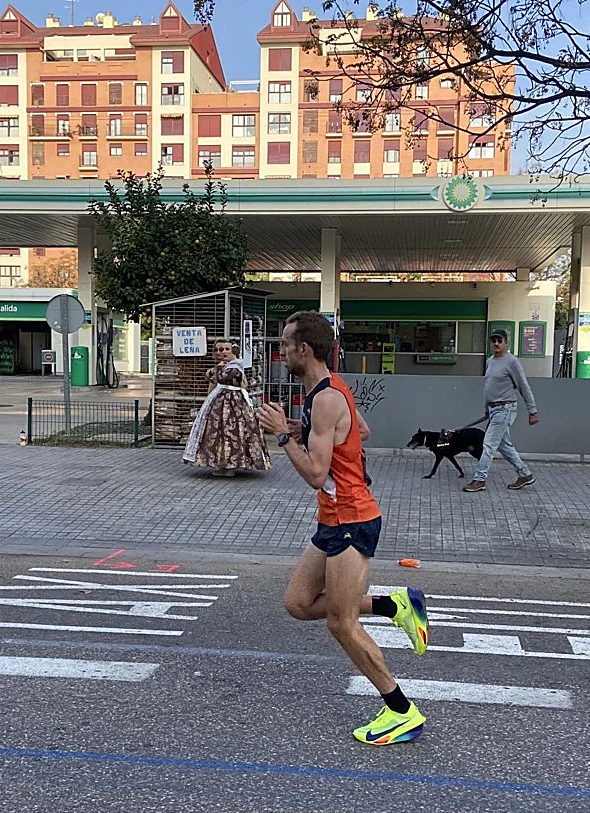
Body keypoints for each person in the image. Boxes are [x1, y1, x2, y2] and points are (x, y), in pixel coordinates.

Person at [258, 310, 430, 745]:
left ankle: (401, 710)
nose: (281, 352)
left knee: (341, 621)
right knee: (298, 603)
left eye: (285, 345)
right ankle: (395, 606)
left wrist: (284, 436)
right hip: (333, 517)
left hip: (353, 516)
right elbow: (363, 430)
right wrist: (308, 428)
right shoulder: (328, 391)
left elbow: (316, 474)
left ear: (305, 349)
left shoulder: (325, 397)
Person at [463, 328, 539, 493]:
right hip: (493, 409)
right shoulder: (490, 361)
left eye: (500, 340)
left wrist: (532, 411)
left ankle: (479, 479)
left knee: (488, 444)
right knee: (504, 446)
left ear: (506, 343)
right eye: (494, 340)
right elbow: (489, 387)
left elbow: (524, 387)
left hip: (505, 408)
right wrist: (486, 410)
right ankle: (525, 474)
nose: (496, 343)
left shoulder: (512, 362)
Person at [183, 339, 270, 477]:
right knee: (216, 431)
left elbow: (221, 377)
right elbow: (211, 377)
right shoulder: (225, 366)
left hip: (234, 403)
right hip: (218, 401)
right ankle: (220, 463)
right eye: (218, 350)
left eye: (225, 349)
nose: (221, 352)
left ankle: (231, 464)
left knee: (232, 431)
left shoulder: (235, 366)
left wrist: (215, 370)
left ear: (233, 351)